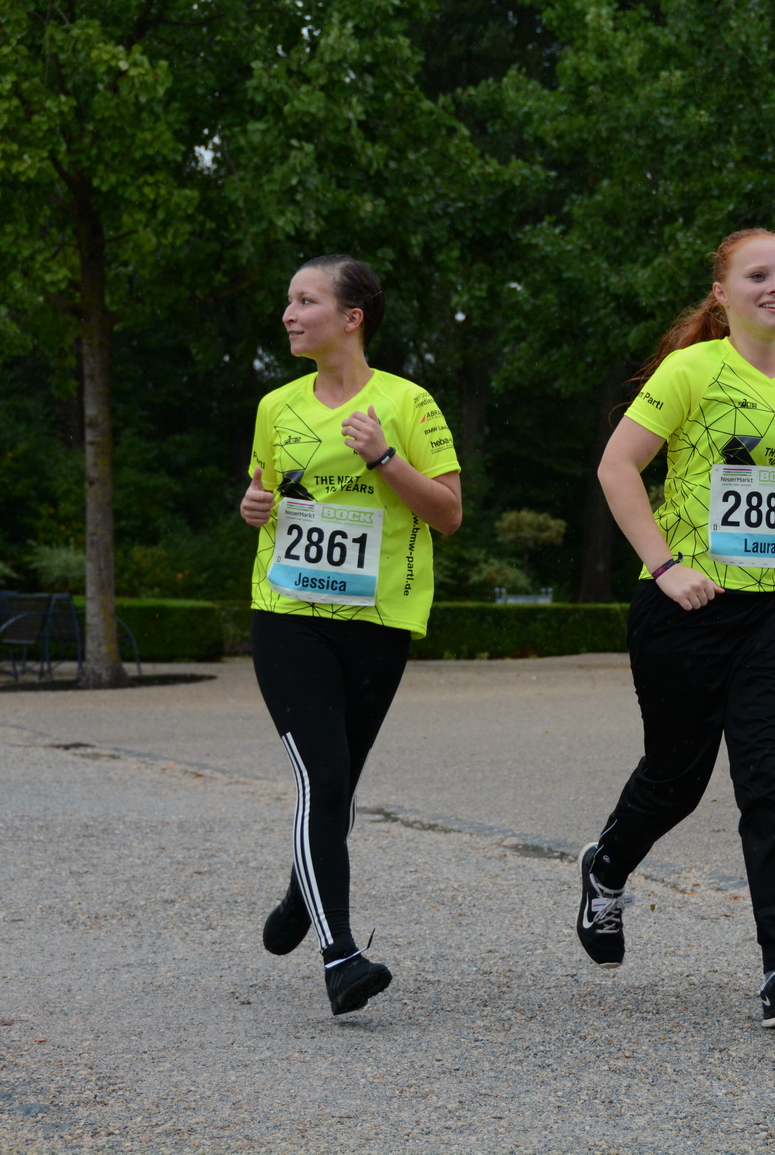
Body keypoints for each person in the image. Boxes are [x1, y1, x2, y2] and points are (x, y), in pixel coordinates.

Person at [576, 228, 775, 1029]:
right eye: (758, 274)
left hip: (774, 608)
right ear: (722, 291)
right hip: (683, 607)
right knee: (676, 776)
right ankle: (605, 870)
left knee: (773, 784)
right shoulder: (692, 370)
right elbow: (617, 466)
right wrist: (667, 565)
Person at [238, 254, 463, 1015]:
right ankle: (341, 956)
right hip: (287, 617)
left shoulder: (409, 403)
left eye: (305, 300)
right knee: (323, 779)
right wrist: (253, 506)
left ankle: (305, 895)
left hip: (379, 624)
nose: (289, 314)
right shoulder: (276, 407)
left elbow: (448, 512)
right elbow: (263, 488)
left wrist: (385, 458)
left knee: (338, 786)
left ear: (350, 317)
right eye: (289, 300)